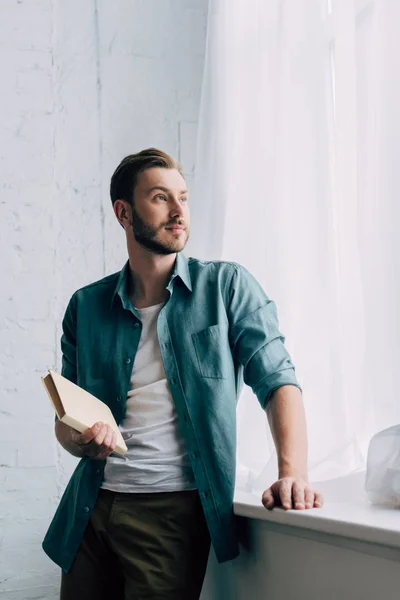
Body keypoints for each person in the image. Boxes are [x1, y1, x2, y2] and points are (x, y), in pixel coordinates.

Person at [43, 148, 323, 600]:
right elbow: (64, 420)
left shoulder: (227, 288)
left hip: (170, 511)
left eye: (184, 198)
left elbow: (277, 380)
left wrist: (294, 472)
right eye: (160, 198)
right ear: (124, 212)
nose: (179, 212)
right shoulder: (86, 307)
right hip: (89, 511)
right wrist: (79, 440)